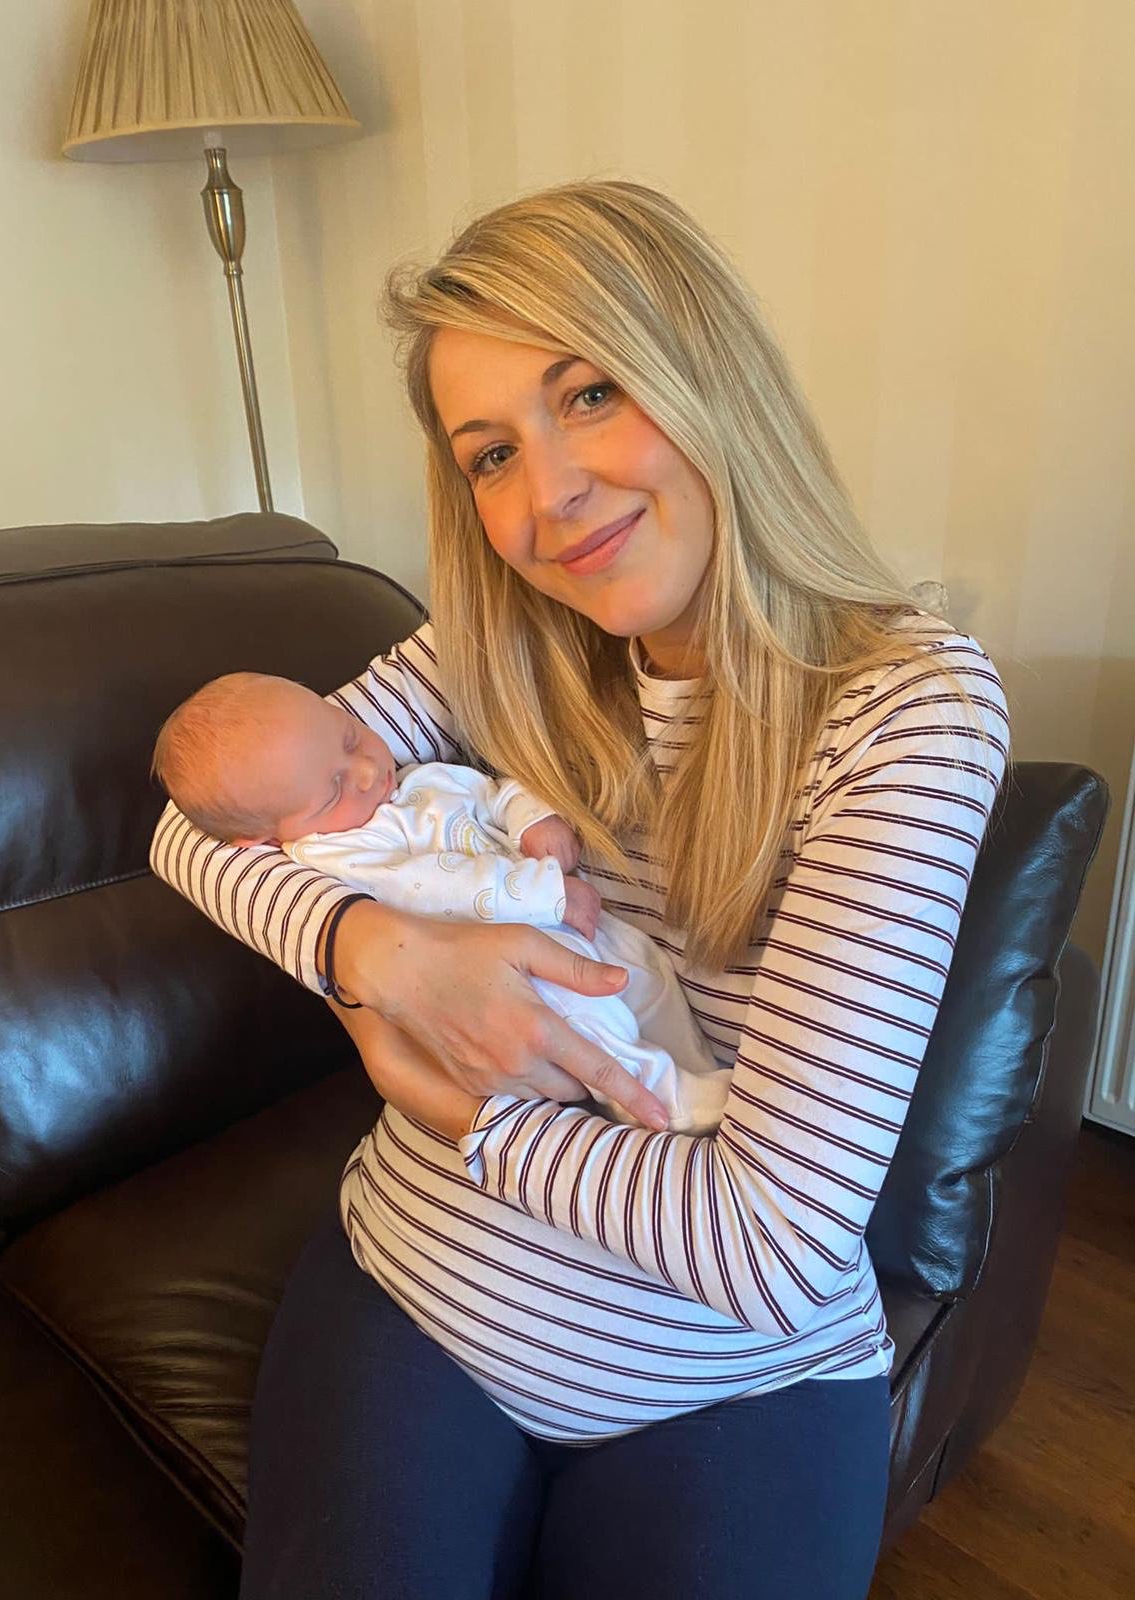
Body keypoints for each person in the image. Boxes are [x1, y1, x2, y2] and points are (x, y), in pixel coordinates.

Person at [151, 179, 1010, 1600]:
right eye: (491, 454)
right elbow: (192, 832)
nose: (547, 496)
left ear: (707, 373)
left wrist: (470, 1113)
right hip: (413, 1287)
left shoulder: (907, 710)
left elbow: (772, 1245)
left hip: (731, 1380)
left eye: (591, 393)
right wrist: (381, 956)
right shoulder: (491, 647)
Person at [150, 670, 730, 1132]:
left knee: (648, 974)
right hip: (515, 976)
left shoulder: (414, 780)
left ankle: (701, 1068)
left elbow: (490, 793)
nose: (366, 769)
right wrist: (548, 892)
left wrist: (531, 816)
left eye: (350, 735)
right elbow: (437, 887)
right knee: (591, 1026)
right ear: (261, 839)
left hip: (573, 928)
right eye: (331, 790)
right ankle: (668, 1103)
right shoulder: (339, 854)